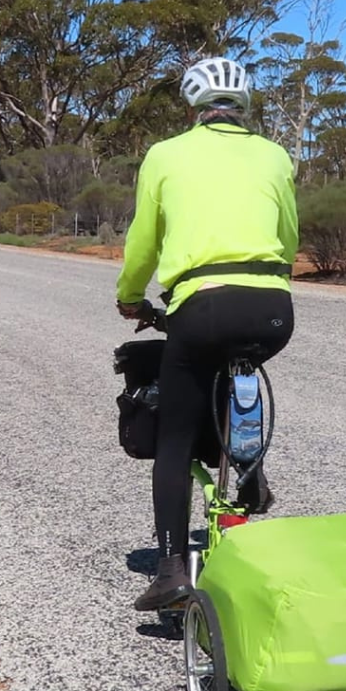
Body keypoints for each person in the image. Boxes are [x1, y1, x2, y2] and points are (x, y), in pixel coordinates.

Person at [116, 57, 298, 612]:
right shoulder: (275, 154)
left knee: (173, 438)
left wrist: (131, 296)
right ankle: (249, 470)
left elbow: (145, 237)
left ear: (193, 107)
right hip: (273, 308)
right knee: (238, 361)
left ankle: (171, 568)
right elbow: (287, 234)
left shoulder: (166, 154)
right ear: (243, 104)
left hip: (201, 304)